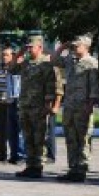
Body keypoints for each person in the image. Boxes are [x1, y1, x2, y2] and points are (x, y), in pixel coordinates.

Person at [9, 35, 61, 178]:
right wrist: (19, 52)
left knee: (39, 137)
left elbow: (51, 87)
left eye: (31, 47)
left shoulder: (46, 64)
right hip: (25, 105)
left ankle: (37, 166)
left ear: (40, 47)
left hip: (39, 107)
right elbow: (12, 68)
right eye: (28, 47)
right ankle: (30, 165)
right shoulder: (26, 63)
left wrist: (48, 105)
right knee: (27, 137)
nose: (29, 49)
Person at [50, 35, 99, 182]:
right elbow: (53, 60)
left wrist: (90, 106)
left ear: (86, 47)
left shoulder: (92, 63)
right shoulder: (70, 61)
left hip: (83, 107)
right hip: (70, 106)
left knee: (83, 138)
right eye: (73, 46)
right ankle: (73, 168)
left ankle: (82, 168)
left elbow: (94, 89)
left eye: (77, 45)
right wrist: (61, 47)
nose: (74, 48)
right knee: (70, 138)